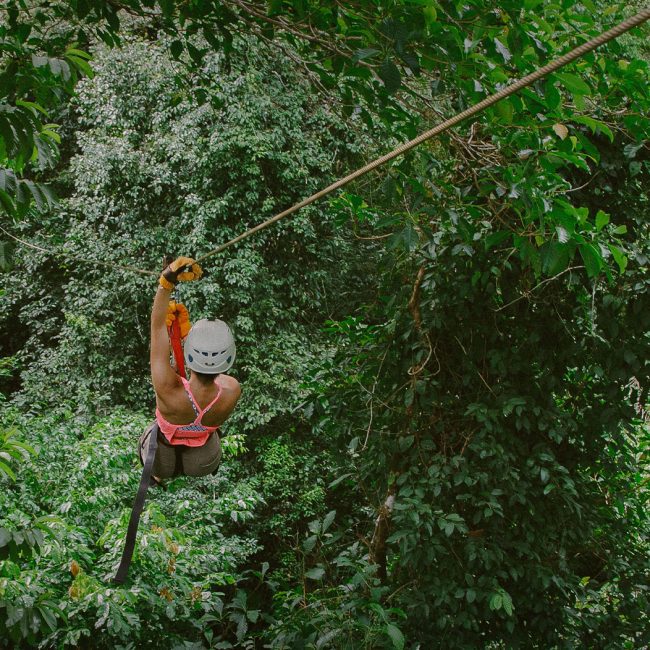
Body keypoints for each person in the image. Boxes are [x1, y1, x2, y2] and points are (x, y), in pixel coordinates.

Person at [138, 256, 241, 479]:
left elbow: (157, 329)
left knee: (150, 436)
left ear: (190, 353)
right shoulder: (232, 389)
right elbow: (209, 376)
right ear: (229, 357)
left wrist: (166, 283)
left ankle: (158, 476)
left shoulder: (168, 387)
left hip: (161, 460)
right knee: (207, 435)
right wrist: (186, 340)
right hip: (202, 462)